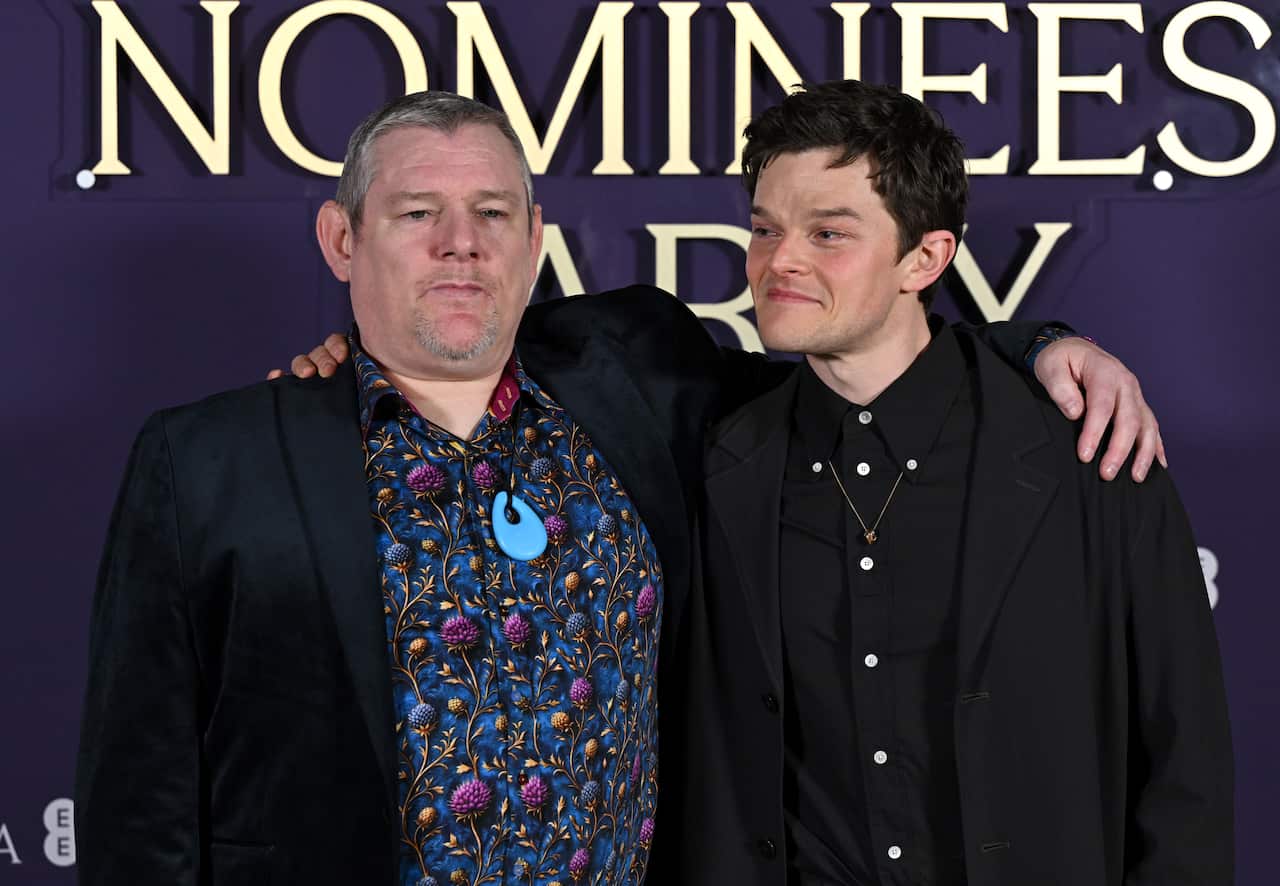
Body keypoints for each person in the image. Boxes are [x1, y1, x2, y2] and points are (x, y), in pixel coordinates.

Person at [76, 90, 1160, 886]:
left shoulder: (637, 376)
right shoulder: (209, 461)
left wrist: (1034, 347)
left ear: (535, 239)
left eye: (493, 213)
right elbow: (139, 798)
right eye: (416, 214)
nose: (460, 246)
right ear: (341, 238)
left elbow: (857, 368)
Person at [676, 80, 1232, 885]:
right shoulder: (720, 454)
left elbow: (1185, 764)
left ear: (926, 257)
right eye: (765, 229)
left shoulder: (1088, 447)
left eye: (828, 233)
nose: (778, 261)